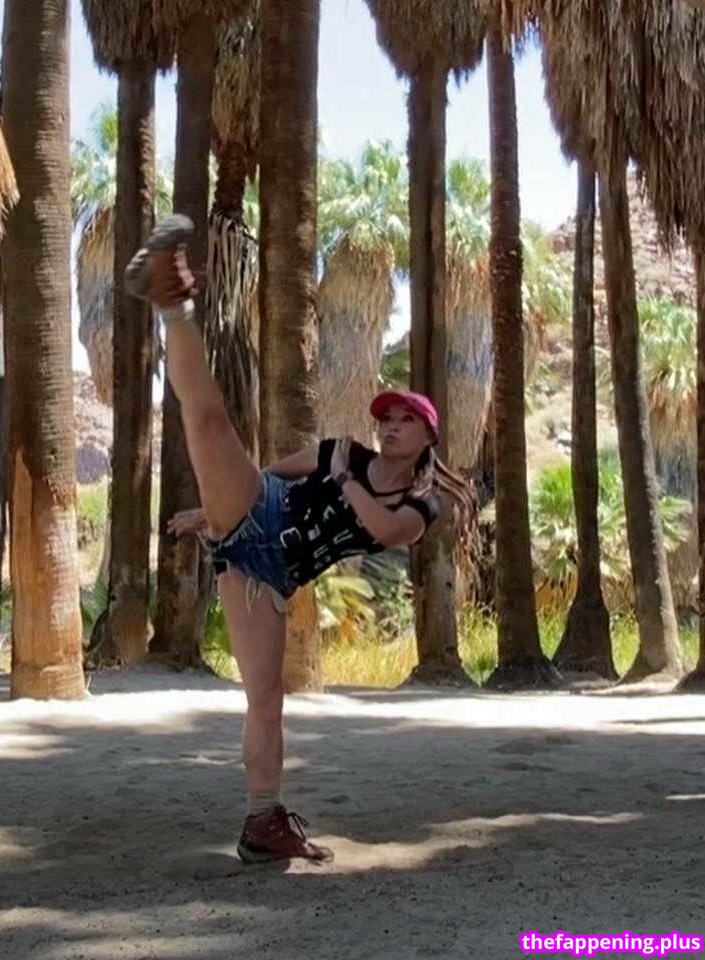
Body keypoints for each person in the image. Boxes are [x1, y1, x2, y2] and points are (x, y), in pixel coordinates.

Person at [126, 215, 474, 865]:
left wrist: (342, 483)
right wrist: (216, 508)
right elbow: (269, 478)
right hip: (257, 513)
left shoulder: (420, 502)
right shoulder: (343, 451)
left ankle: (263, 822)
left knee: (266, 699)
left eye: (405, 421)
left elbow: (385, 532)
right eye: (386, 418)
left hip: (270, 571)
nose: (390, 427)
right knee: (209, 422)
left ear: (428, 437)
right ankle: (173, 301)